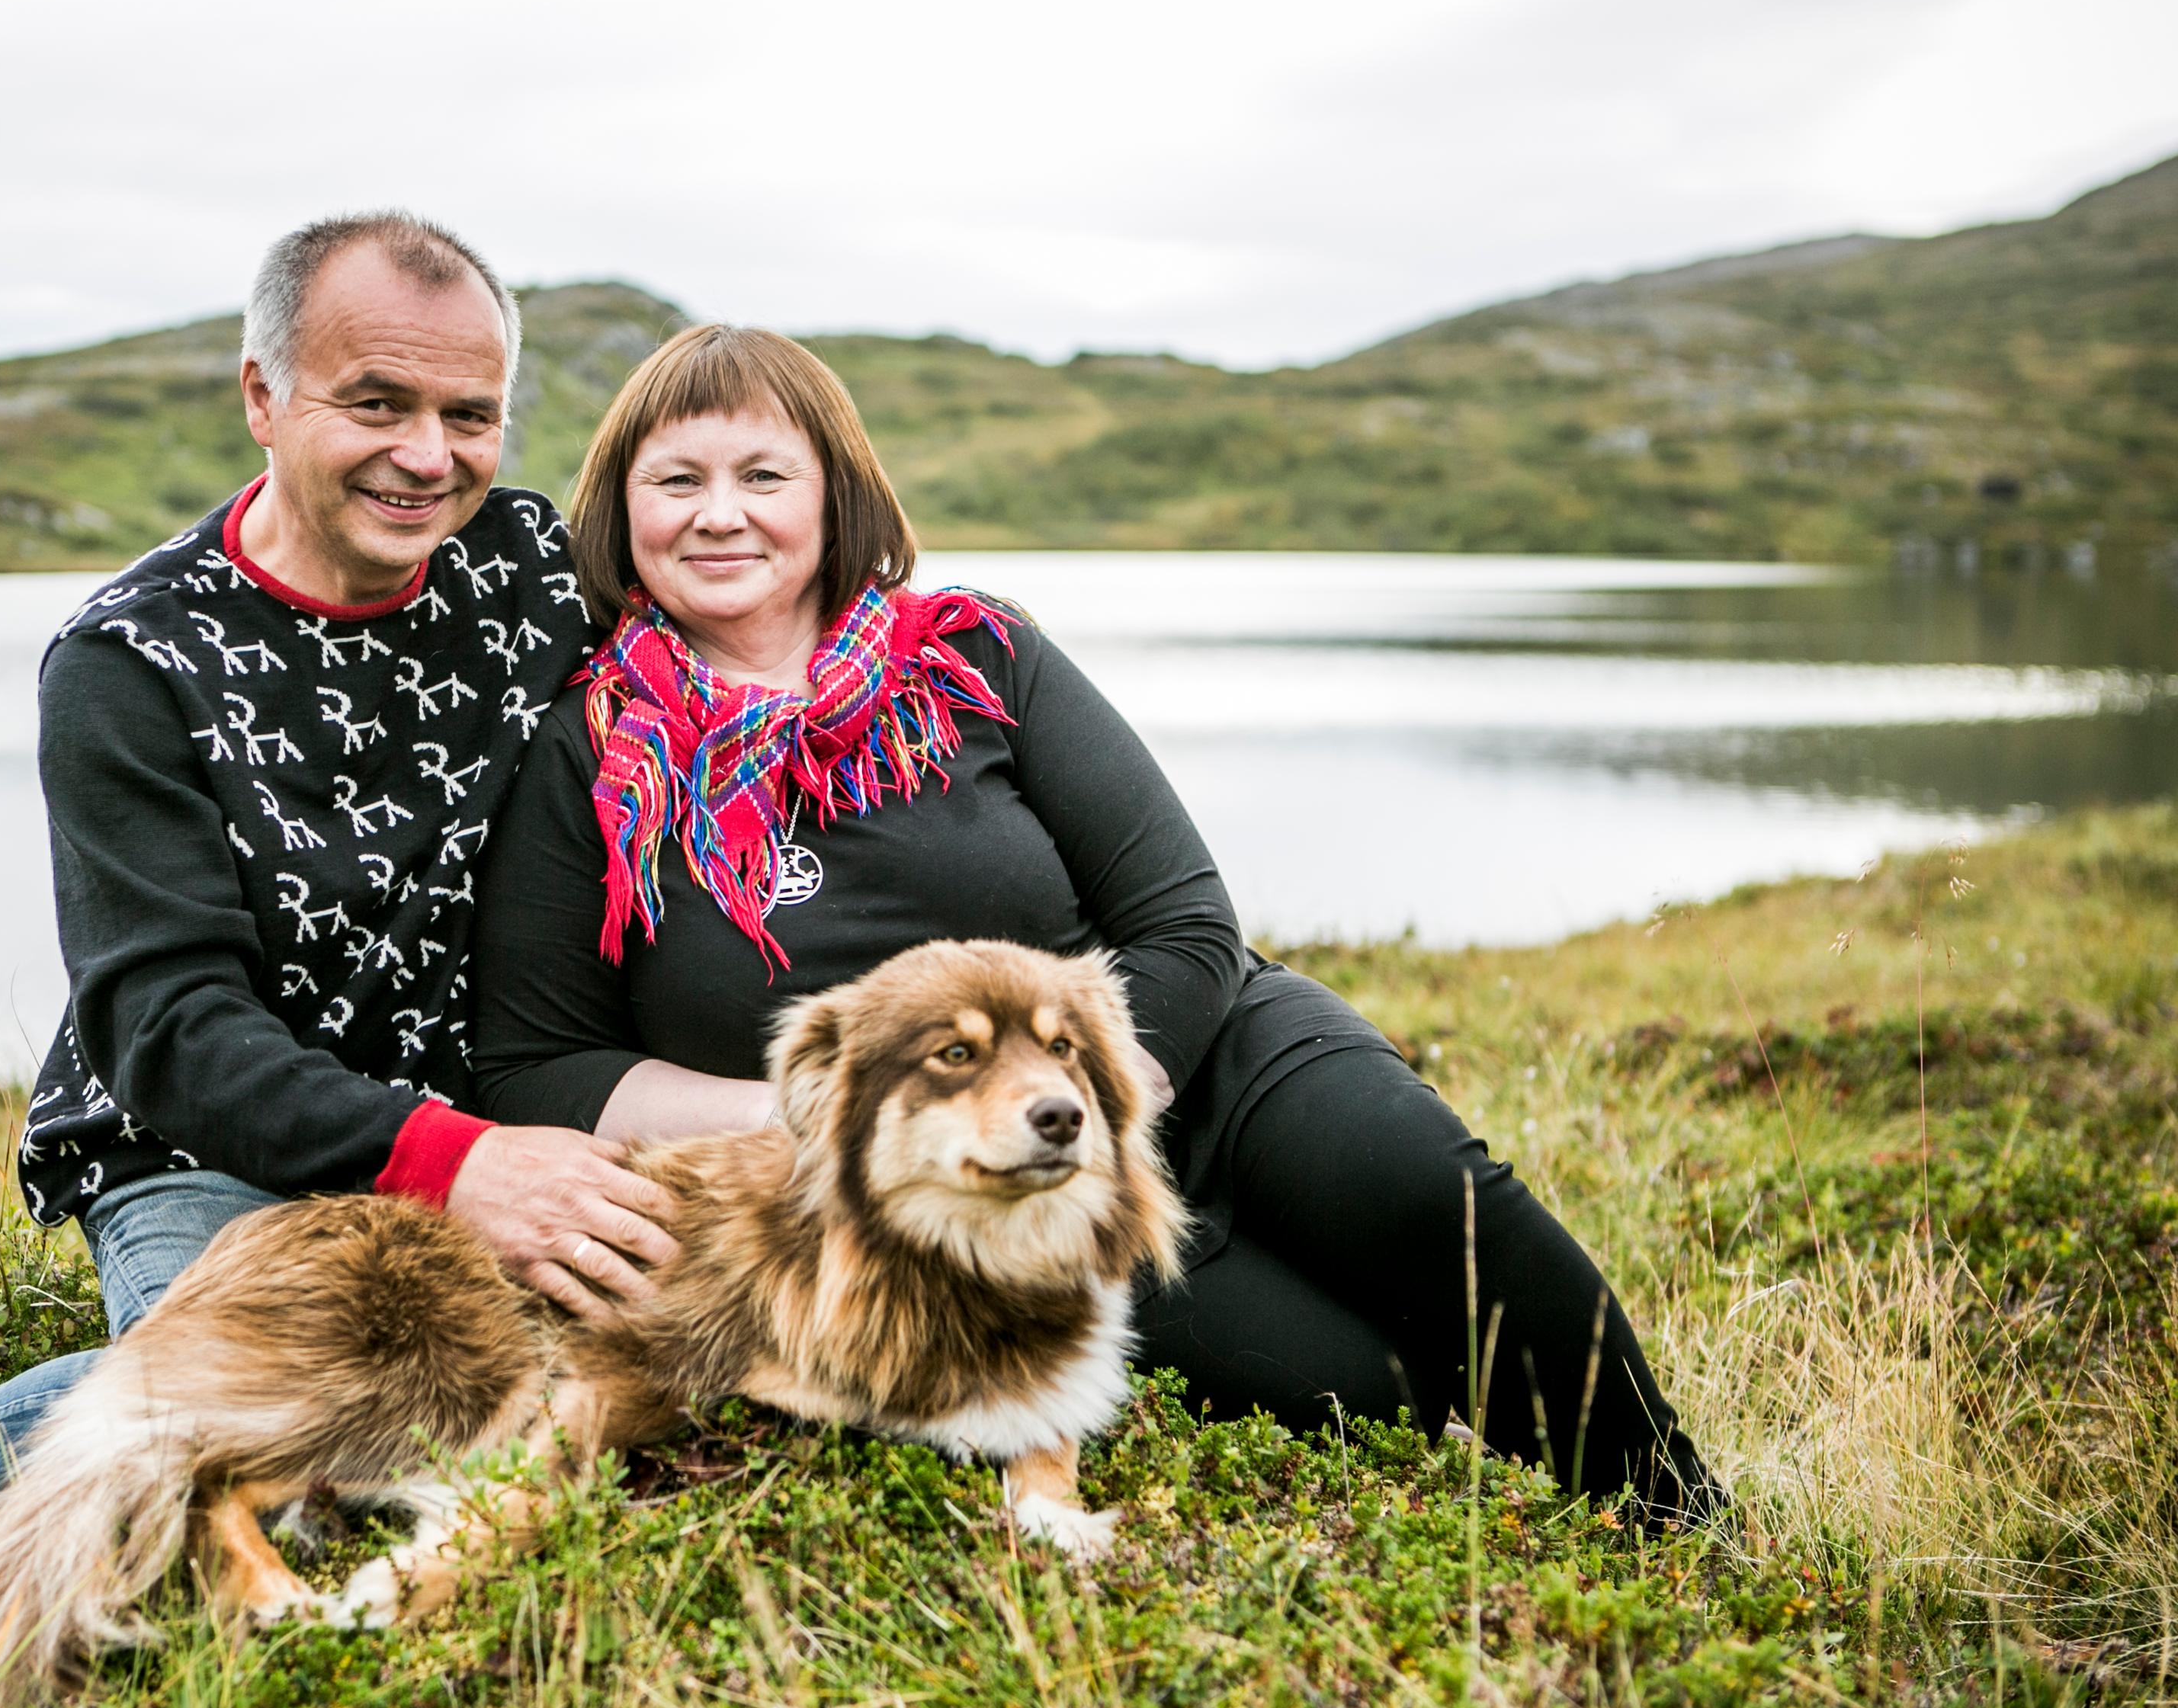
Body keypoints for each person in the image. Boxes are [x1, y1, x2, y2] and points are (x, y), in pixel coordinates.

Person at [470, 325, 1721, 1519]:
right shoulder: (587, 752)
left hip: (1197, 1058)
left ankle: (1684, 1519)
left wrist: (1101, 1114)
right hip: (944, 1192)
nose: (720, 512)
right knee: (1355, 1393)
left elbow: (1184, 922)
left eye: (762, 474)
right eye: (675, 479)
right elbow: (539, 1066)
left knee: (1431, 1208)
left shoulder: (977, 655)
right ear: (621, 511)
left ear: (834, 494)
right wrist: (818, 1115)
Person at [0, 213, 683, 1708]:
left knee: (581, 1374)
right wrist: (459, 1168)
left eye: (469, 415)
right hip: (205, 1134)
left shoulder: (524, 567)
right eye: (373, 402)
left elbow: (757, 623)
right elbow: (170, 1032)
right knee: (298, 1421)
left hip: (492, 1093)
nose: (428, 454)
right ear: (263, 394)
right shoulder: (128, 662)